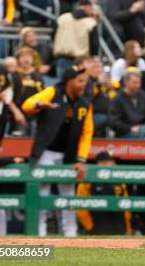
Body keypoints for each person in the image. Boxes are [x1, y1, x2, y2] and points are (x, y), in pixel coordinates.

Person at [22, 65, 94, 237]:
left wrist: (81, 159)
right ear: (69, 81)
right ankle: (39, 233)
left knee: (68, 196)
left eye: (85, 81)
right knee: (42, 193)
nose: (83, 85)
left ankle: (70, 234)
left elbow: (87, 133)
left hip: (68, 156)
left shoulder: (84, 103)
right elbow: (27, 105)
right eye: (80, 81)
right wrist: (40, 104)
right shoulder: (53, 91)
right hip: (46, 152)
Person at [76, 150, 132, 235]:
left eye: (113, 162)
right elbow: (81, 207)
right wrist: (90, 227)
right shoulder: (88, 180)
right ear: (100, 163)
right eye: (110, 162)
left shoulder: (120, 181)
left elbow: (126, 207)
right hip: (97, 229)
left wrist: (128, 228)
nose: (114, 164)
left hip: (120, 229)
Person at [52, 0, 99, 80]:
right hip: (81, 62)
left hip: (62, 59)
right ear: (87, 7)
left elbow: (53, 36)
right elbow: (94, 44)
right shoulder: (90, 23)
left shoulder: (62, 18)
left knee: (62, 86)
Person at [108, 71, 145, 139]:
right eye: (134, 83)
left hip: (143, 129)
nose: (138, 85)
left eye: (139, 82)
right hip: (124, 133)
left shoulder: (143, 95)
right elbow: (113, 122)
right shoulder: (118, 98)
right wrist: (130, 128)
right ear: (126, 82)